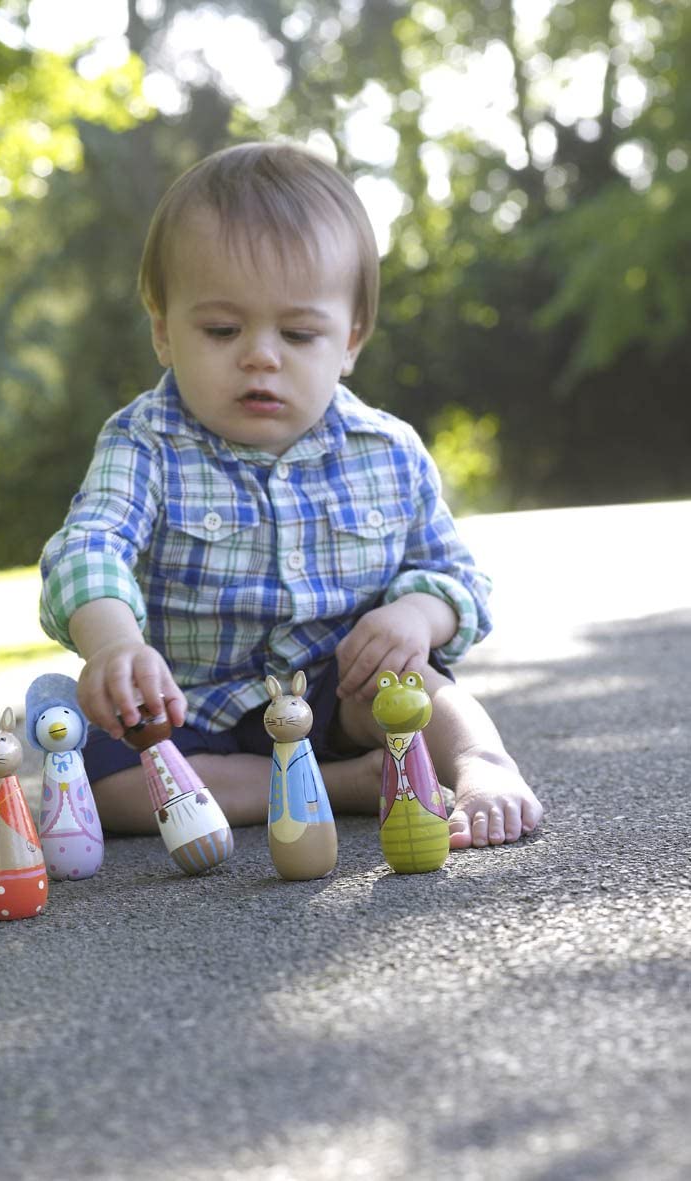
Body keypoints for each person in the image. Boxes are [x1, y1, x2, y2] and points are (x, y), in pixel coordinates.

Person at [38, 141, 543, 850]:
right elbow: (90, 545)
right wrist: (115, 644)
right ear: (162, 329)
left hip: (342, 694)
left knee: (413, 681)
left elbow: (460, 579)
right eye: (221, 329)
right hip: (190, 703)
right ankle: (347, 785)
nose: (261, 355)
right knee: (101, 780)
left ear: (350, 340)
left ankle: (484, 765)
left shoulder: (386, 451)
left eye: (300, 332)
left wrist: (415, 615)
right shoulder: (144, 442)